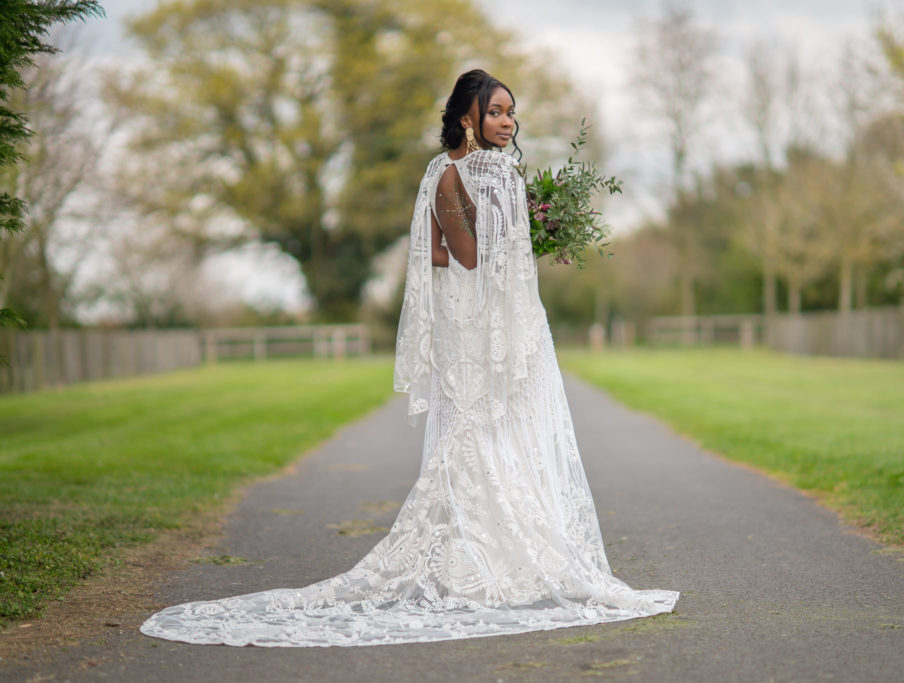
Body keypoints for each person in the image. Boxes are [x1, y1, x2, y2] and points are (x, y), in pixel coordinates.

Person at [139, 69, 678, 648]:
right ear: (468, 115)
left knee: (505, 433)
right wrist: (510, 227)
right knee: (476, 434)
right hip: (472, 332)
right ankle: (474, 562)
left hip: (504, 322)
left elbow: (445, 254)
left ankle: (497, 554)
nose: (507, 122)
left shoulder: (493, 171)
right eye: (496, 111)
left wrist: (522, 225)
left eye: (511, 112)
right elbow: (461, 256)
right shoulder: (449, 176)